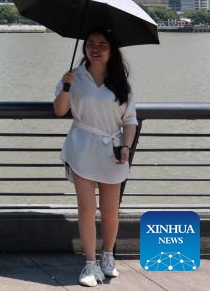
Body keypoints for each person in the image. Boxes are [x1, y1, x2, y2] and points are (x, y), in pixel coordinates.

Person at [53, 29, 137, 287]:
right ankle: (89, 263)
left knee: (111, 211)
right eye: (90, 44)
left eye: (102, 45)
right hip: (82, 147)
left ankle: (108, 256)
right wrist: (66, 86)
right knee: (87, 209)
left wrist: (126, 145)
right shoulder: (74, 77)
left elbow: (130, 119)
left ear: (112, 50)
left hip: (111, 149)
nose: (95, 49)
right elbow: (59, 110)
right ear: (84, 48)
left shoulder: (120, 82)